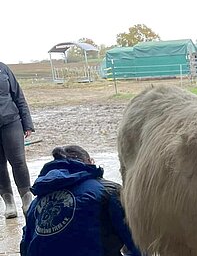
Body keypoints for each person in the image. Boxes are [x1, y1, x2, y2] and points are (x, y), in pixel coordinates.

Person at [20, 145, 142, 256]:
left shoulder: (36, 203)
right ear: (89, 162)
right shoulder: (108, 190)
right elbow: (136, 240)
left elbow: (25, 246)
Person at [0, 62, 35, 219]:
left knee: (19, 162)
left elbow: (18, 95)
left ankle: (26, 199)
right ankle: (9, 203)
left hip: (11, 121)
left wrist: (27, 123)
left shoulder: (3, 68)